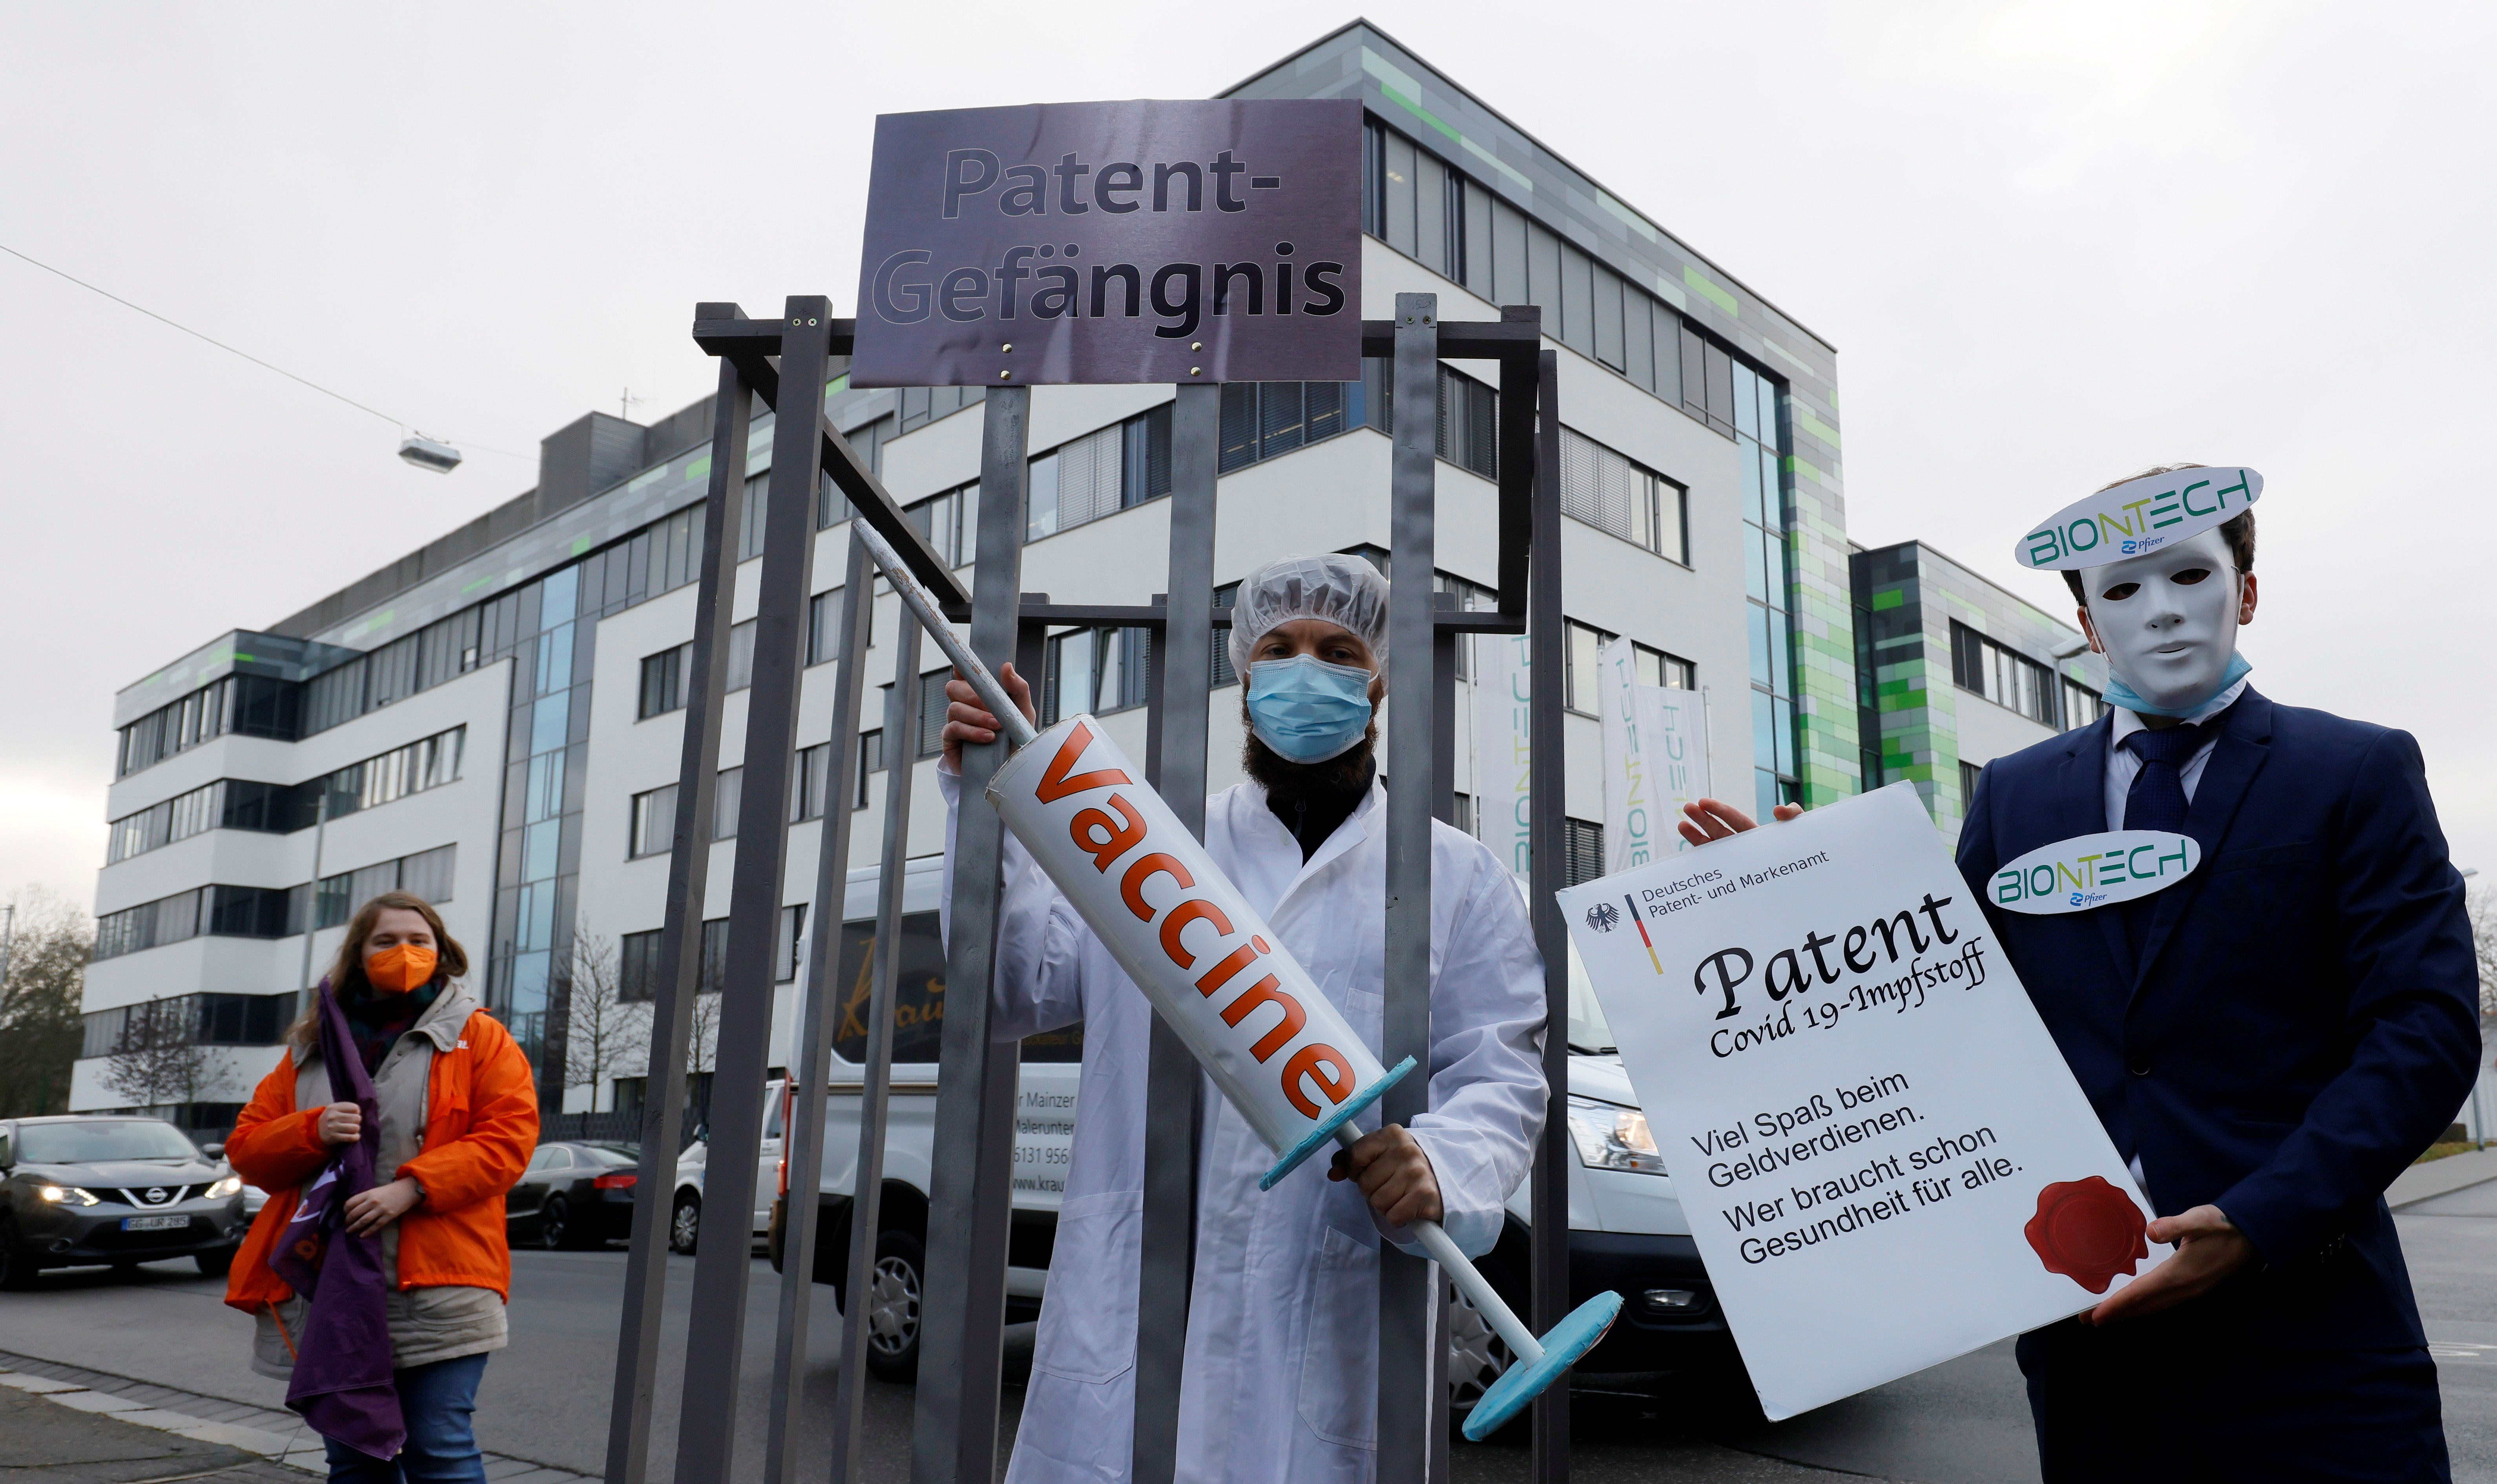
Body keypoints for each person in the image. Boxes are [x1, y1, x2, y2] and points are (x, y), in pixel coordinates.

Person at [938, 552, 1547, 1484]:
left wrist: (1439, 1162)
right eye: (1281, 647)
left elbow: (1498, 1075)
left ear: (1376, 680)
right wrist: (982, 812)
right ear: (1243, 677)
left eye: (1337, 648)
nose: (1306, 668)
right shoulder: (1147, 846)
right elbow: (1008, 990)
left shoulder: (1456, 876)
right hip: (1137, 1307)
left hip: (1330, 1310)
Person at [1950, 468, 2478, 1481]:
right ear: (2082, 618)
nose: (2159, 609)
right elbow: (1951, 999)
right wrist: (1811, 887)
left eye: (2190, 573)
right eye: (2120, 588)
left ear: (2245, 589)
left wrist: (2260, 1216)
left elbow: (2424, 1025)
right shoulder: (2013, 797)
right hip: (2092, 1350)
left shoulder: (2354, 771)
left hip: (2314, 1342)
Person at [224, 891, 539, 1483]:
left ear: (441, 952)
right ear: (359, 954)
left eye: (418, 940)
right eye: (386, 940)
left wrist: (412, 1188)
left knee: (438, 1447)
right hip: (333, 1286)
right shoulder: (310, 1048)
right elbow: (247, 1149)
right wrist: (311, 1128)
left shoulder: (480, 1037)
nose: (404, 952)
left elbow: (509, 1141)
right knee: (354, 1456)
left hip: (440, 1283)